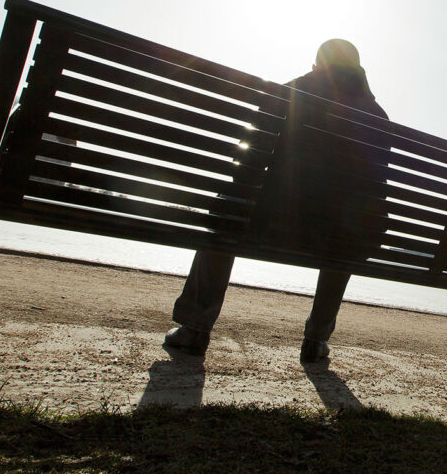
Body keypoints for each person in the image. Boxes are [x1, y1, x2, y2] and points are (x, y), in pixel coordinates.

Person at [163, 38, 389, 362]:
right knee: (348, 235)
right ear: (358, 70)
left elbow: (251, 161)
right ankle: (315, 340)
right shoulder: (378, 117)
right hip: (331, 238)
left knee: (225, 210)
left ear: (316, 67)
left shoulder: (290, 91)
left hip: (270, 222)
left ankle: (195, 328)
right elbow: (373, 190)